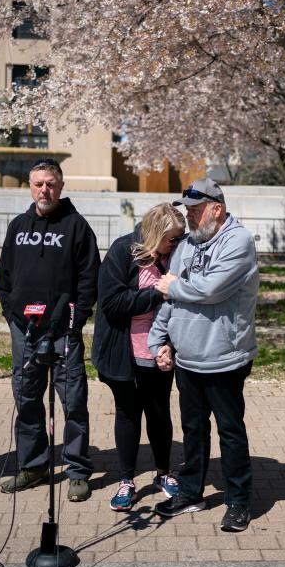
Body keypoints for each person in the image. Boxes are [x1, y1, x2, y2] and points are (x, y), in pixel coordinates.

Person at [148, 178, 259, 532]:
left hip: (225, 356)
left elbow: (209, 290)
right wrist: (160, 341)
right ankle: (191, 492)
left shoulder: (237, 242)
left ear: (216, 208)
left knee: (230, 430)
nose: (190, 217)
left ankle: (238, 501)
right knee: (193, 430)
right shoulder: (185, 246)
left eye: (196, 210)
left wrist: (174, 285)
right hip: (188, 358)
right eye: (187, 211)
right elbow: (171, 298)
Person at [0, 158, 101, 502]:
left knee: (72, 403)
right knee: (26, 400)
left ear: (61, 186)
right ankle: (33, 465)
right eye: (39, 183)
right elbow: (5, 280)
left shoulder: (77, 227)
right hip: (24, 331)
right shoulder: (17, 226)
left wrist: (76, 319)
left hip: (63, 333)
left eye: (51, 183)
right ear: (31, 186)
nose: (45, 189)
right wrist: (13, 317)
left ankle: (77, 470)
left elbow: (89, 280)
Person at [91, 203, 186, 511]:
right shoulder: (122, 252)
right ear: (155, 233)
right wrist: (158, 293)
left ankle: (164, 473)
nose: (175, 244)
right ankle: (127, 480)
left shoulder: (174, 257)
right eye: (171, 238)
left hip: (159, 352)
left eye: (179, 238)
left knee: (159, 413)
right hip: (123, 351)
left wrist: (169, 344)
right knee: (128, 413)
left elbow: (181, 307)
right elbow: (112, 303)